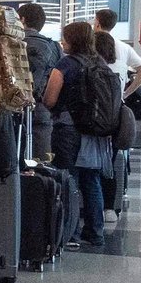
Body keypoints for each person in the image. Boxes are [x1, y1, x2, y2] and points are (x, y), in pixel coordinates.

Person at [42, 21, 113, 246]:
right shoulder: (101, 64)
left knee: (68, 179)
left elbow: (50, 99)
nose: (62, 42)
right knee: (91, 180)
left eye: (65, 38)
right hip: (96, 131)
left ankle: (69, 233)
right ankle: (95, 232)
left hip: (68, 130)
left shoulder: (66, 64)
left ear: (73, 40)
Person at [17, 2, 59, 161]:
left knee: (15, 161)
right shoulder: (53, 47)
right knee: (41, 162)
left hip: (14, 110)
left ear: (22, 19)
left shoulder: (10, 42)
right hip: (43, 110)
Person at [93, 8, 141, 98]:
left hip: (93, 101)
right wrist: (125, 94)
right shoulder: (124, 47)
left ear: (97, 23)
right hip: (116, 103)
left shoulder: (88, 44)